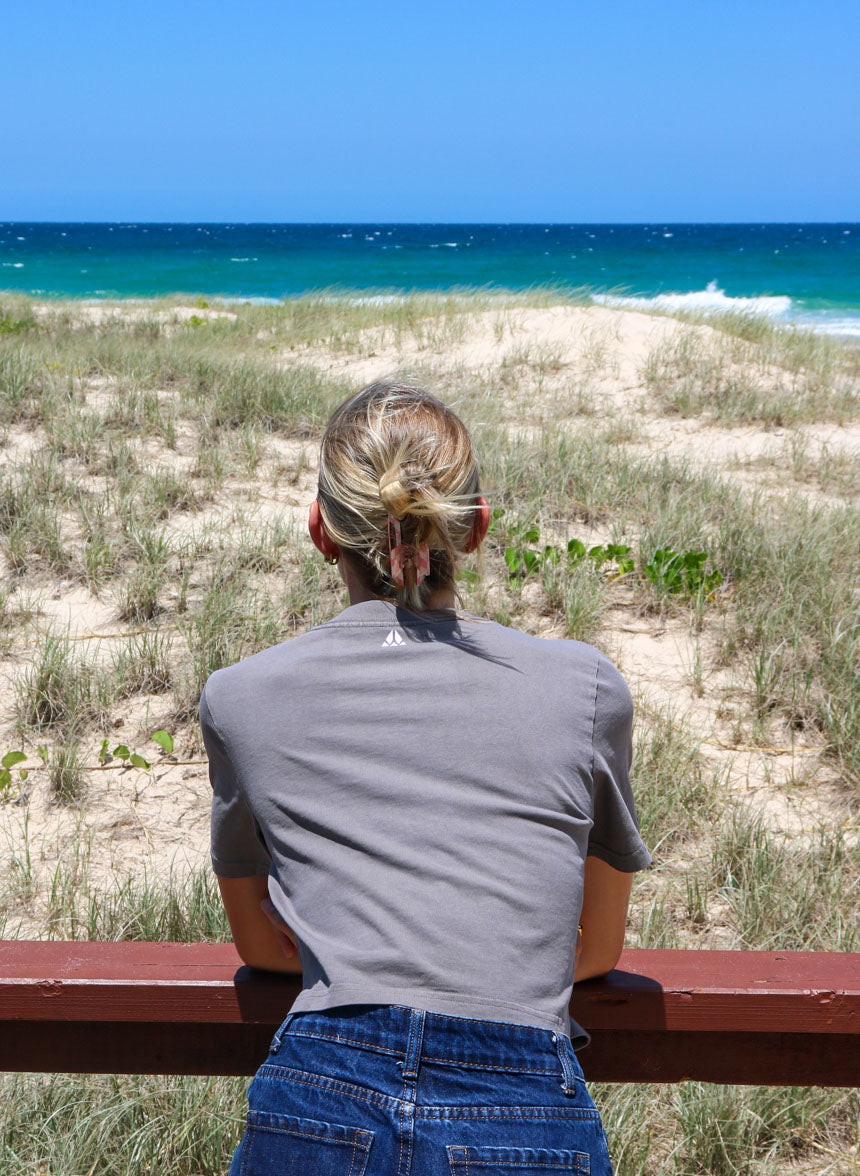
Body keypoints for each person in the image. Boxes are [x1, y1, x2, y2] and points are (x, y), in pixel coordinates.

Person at [200, 378, 651, 1176]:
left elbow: (263, 946)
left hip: (321, 1087)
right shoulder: (585, 687)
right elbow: (592, 948)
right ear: (474, 528)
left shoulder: (243, 697)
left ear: (320, 531)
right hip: (520, 1097)